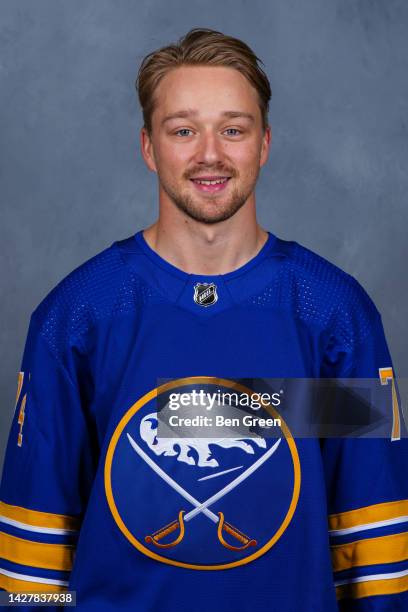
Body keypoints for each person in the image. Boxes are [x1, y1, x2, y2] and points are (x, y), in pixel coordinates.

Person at [0, 27, 407, 611]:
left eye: (233, 130)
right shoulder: (77, 314)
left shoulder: (335, 315)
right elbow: (33, 552)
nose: (209, 154)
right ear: (149, 147)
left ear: (264, 144)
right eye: (184, 130)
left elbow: (373, 538)